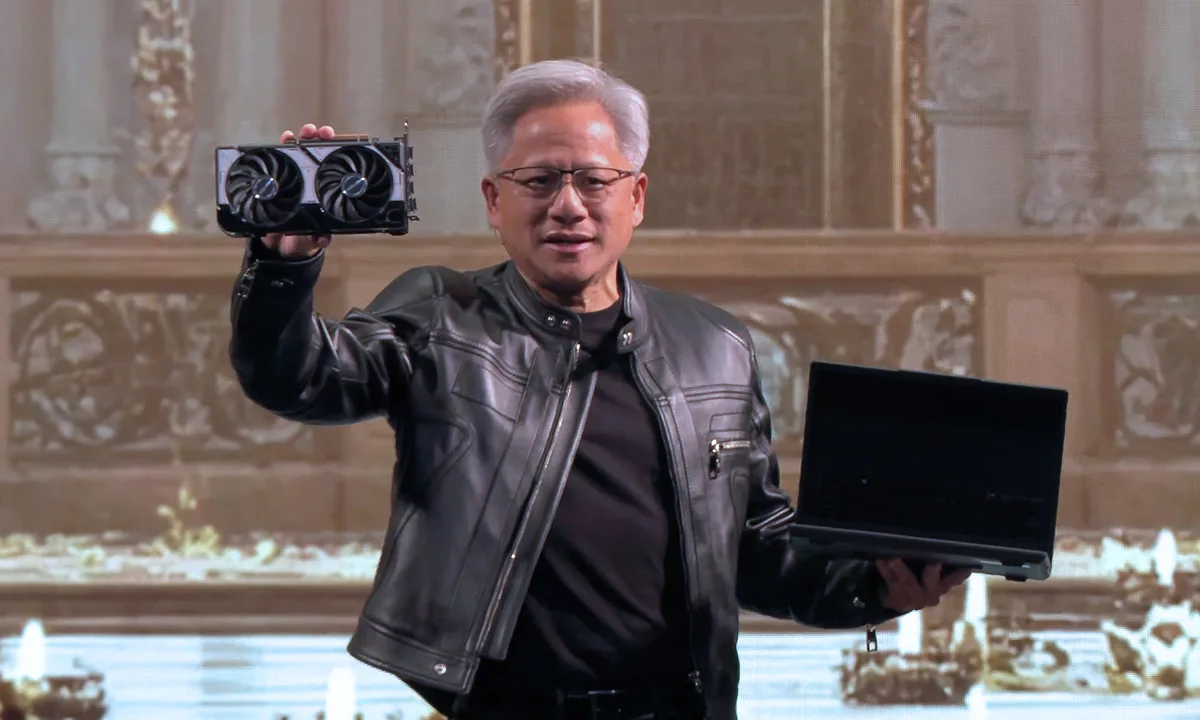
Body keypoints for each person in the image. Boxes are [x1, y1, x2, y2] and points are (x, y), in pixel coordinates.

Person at [229, 59, 969, 720]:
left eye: (593, 179)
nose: (568, 205)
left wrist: (876, 585)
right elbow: (299, 377)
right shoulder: (439, 315)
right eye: (538, 180)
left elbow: (753, 550)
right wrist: (283, 265)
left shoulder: (714, 346)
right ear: (493, 200)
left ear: (636, 196)